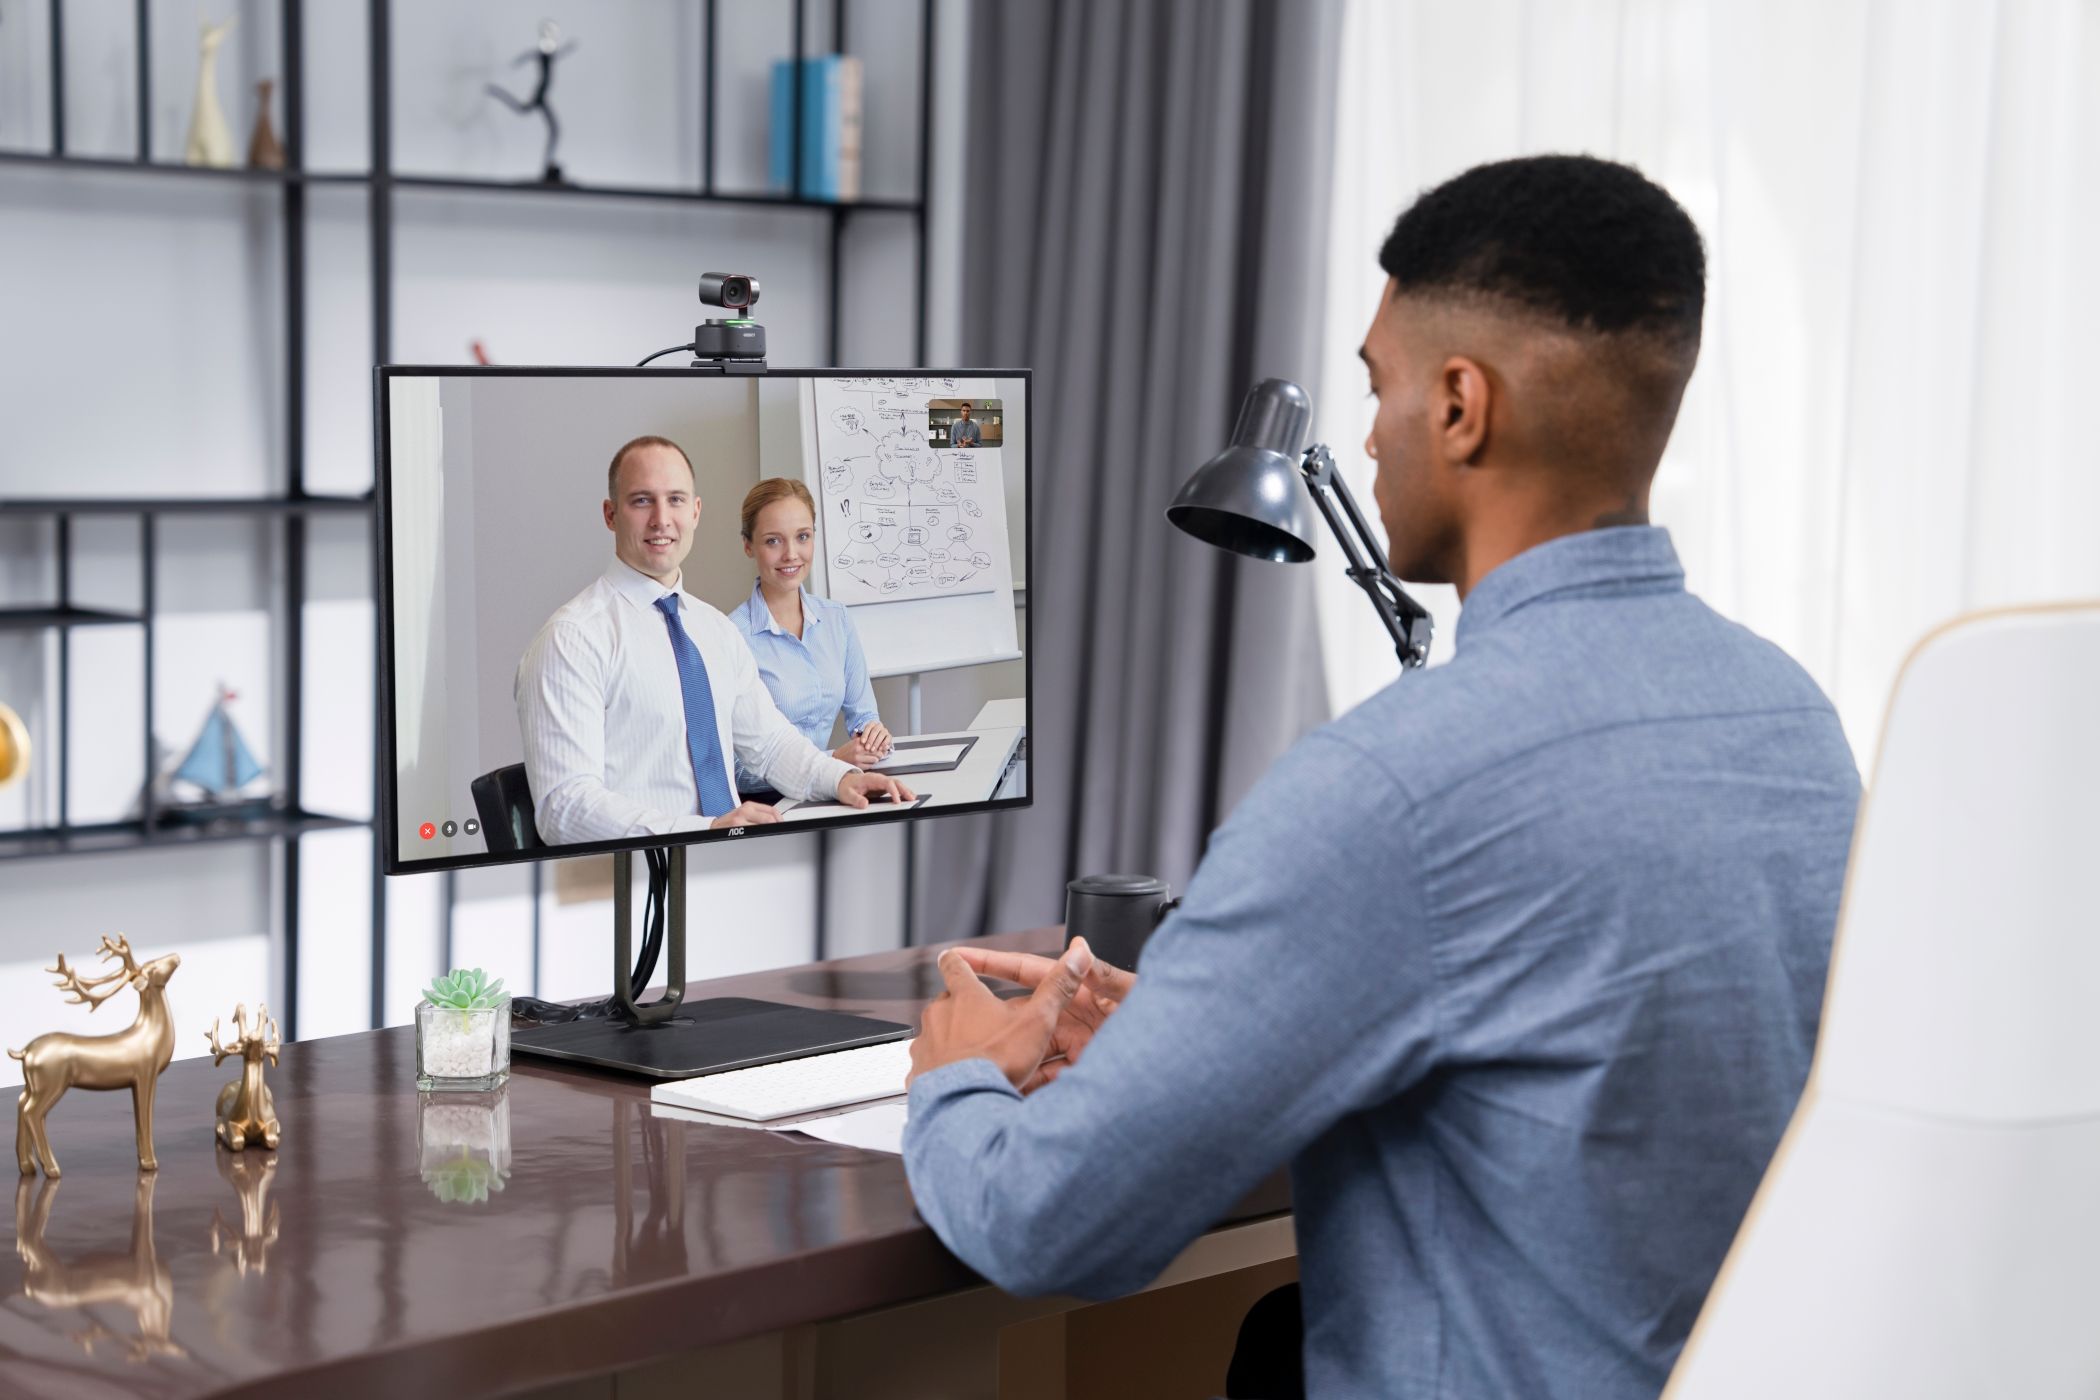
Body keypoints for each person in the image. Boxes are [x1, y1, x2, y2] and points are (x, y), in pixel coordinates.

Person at [899, 154, 1863, 1398]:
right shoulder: (1793, 717)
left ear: (1461, 405)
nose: (1362, 435)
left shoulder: (1392, 787)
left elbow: (1053, 1219)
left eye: (1379, 386)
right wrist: (1203, 1031)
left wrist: (957, 1070)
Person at [515, 436, 913, 845]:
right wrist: (704, 831)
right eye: (641, 501)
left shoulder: (713, 630)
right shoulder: (572, 639)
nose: (661, 519)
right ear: (610, 514)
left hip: (726, 862)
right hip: (637, 882)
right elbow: (563, 808)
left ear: (696, 511)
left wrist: (841, 778)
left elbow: (771, 744)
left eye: (675, 500)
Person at [730, 478, 893, 771]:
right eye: (773, 541)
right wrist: (828, 762)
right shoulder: (732, 637)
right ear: (747, 546)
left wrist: (873, 735)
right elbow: (733, 769)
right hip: (769, 804)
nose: (791, 553)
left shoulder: (836, 619)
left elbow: (863, 715)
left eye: (802, 536)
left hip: (835, 788)